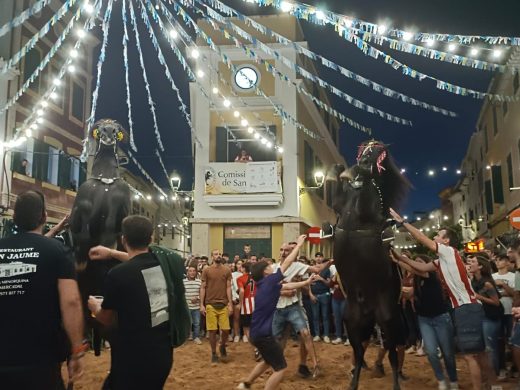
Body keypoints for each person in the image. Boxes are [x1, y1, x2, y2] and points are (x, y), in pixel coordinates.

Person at [389, 208, 499, 390]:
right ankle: (494, 386)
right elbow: (421, 267)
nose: (434, 238)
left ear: (446, 241)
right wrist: (398, 258)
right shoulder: (443, 260)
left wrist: (403, 223)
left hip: (465, 308)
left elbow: (422, 240)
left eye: (438, 235)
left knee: (471, 356)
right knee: (480, 353)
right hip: (470, 307)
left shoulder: (448, 251)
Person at [88, 215, 189, 390]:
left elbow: (106, 318)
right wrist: (111, 253)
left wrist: (94, 307)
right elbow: (141, 262)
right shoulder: (164, 266)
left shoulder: (118, 274)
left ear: (123, 239)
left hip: (131, 358)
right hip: (162, 356)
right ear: (151, 238)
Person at [0, 190, 85, 389]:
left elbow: (31, 248)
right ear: (44, 216)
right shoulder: (57, 252)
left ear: (14, 217)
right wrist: (77, 349)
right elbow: (71, 302)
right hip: (41, 361)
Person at [236, 234, 317, 390]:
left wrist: (306, 282)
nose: (271, 265)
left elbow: (286, 287)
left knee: (267, 361)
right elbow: (286, 263)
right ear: (266, 272)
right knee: (280, 368)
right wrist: (298, 245)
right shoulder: (270, 280)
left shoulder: (264, 284)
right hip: (264, 335)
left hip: (256, 334)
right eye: (268, 265)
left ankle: (246, 384)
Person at [391, 251, 458, 390]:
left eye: (421, 262)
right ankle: (441, 380)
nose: (418, 265)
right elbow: (409, 293)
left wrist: (398, 259)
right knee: (432, 353)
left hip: (441, 318)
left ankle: (453, 380)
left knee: (448, 353)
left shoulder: (432, 274)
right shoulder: (417, 279)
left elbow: (411, 268)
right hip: (424, 319)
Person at [272, 241, 333, 378]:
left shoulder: (298, 266)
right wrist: (283, 291)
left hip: (295, 305)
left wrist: (329, 262)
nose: (283, 253)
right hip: (278, 308)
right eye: (281, 250)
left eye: (287, 250)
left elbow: (316, 270)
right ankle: (278, 366)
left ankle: (310, 365)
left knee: (305, 334)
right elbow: (267, 289)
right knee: (279, 341)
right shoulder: (273, 268)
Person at [467, 254, 503, 376]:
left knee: (490, 348)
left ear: (480, 266)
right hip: (482, 317)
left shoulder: (487, 283)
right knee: (485, 348)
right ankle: (489, 374)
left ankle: (494, 375)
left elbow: (496, 302)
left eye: (473, 261)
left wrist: (479, 297)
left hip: (491, 318)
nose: (470, 263)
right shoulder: (474, 281)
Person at [200, 249, 233, 363]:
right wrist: (201, 305)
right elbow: (203, 287)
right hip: (210, 304)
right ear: (212, 257)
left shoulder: (227, 270)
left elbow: (229, 287)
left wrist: (230, 304)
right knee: (212, 331)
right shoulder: (206, 270)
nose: (218, 256)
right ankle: (214, 353)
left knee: (225, 330)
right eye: (215, 254)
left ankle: (222, 345)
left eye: (219, 254)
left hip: (223, 304)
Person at [492, 253, 516, 379]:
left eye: (501, 260)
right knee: (499, 341)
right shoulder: (492, 276)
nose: (497, 262)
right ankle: (501, 368)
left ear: (507, 262)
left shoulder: (514, 276)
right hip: (497, 312)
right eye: (496, 260)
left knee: (513, 341)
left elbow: (516, 295)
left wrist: (503, 285)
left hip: (511, 312)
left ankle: (514, 367)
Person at [310, 254, 332, 343]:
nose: (318, 258)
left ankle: (326, 335)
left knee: (325, 316)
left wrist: (321, 278)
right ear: (314, 258)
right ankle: (317, 335)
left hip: (324, 295)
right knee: (315, 316)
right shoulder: (310, 269)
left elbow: (329, 284)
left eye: (320, 256)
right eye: (317, 256)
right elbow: (307, 284)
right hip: (314, 295)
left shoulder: (327, 270)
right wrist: (310, 294)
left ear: (323, 258)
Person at [184, 265, 202, 344]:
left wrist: (197, 298)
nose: (192, 272)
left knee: (197, 323)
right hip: (186, 307)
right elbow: (181, 294)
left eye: (193, 271)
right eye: (190, 271)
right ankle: (187, 336)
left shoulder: (199, 281)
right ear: (187, 272)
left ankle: (196, 337)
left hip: (196, 307)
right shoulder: (183, 282)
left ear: (196, 272)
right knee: (187, 323)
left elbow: (202, 294)